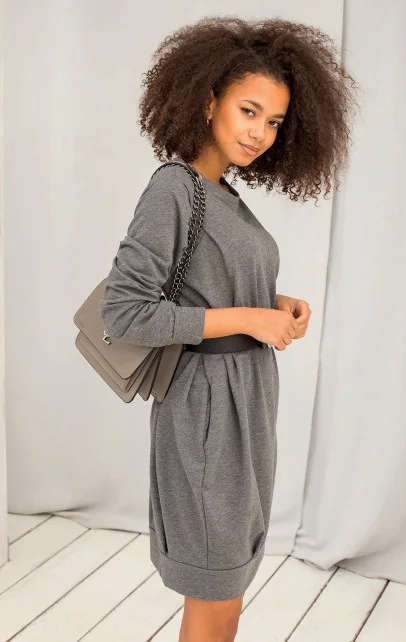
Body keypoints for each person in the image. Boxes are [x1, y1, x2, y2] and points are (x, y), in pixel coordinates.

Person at [99, 15, 357, 642]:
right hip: (206, 410)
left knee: (230, 582)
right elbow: (124, 310)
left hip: (245, 402)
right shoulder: (175, 189)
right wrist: (248, 317)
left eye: (275, 122)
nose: (260, 133)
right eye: (249, 111)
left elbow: (206, 284)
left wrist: (274, 303)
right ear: (208, 100)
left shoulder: (224, 195)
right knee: (213, 584)